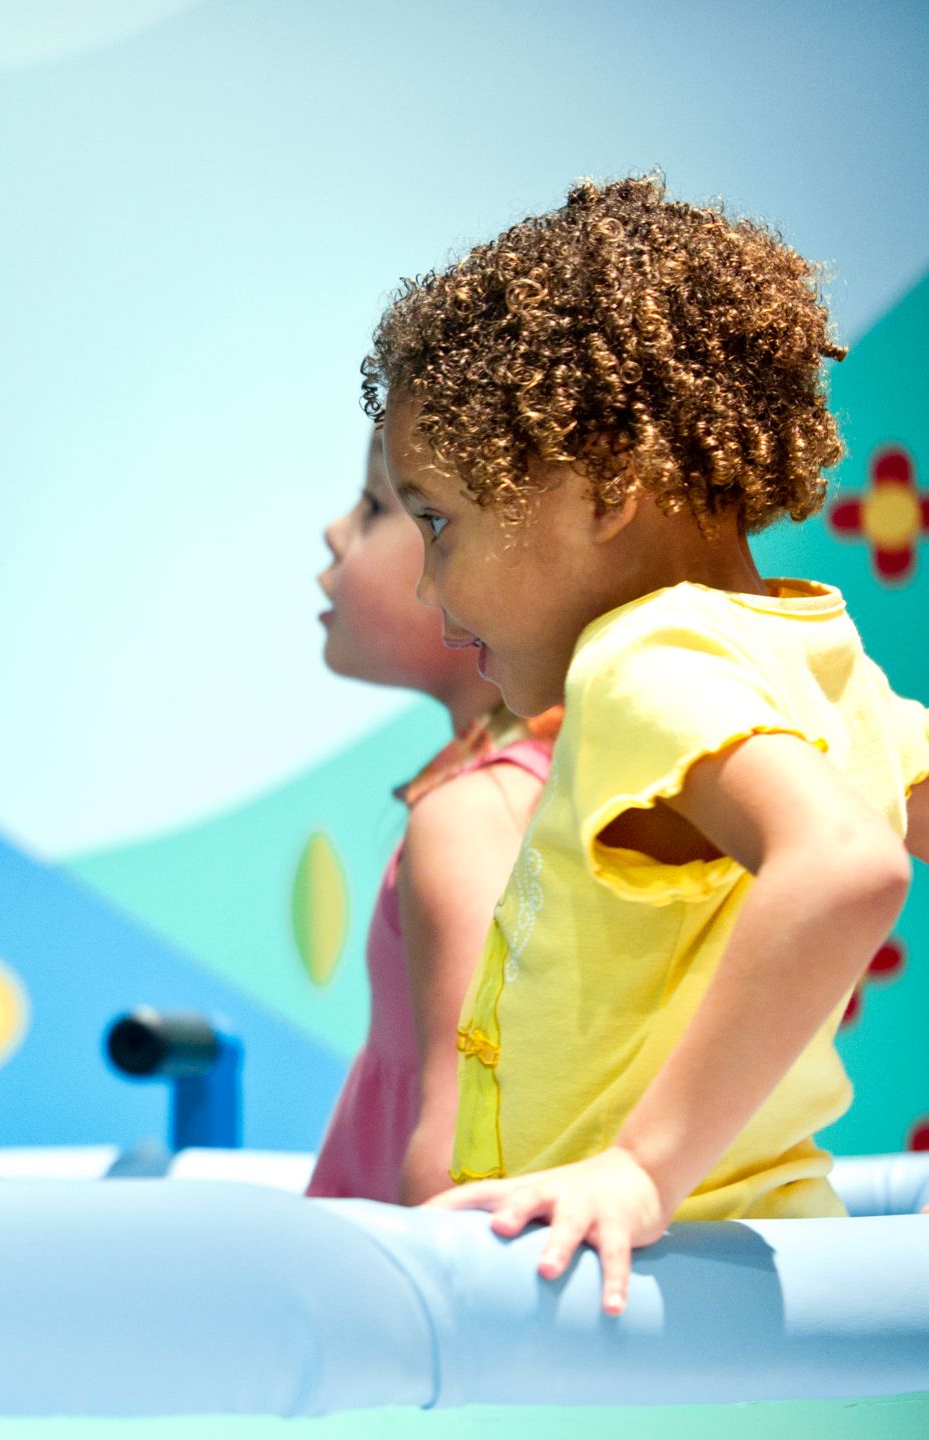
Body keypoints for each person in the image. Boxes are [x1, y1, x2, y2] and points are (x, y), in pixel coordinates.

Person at [365, 176, 929, 1312]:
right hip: (748, 1280)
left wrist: (639, 1170)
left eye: (439, 520)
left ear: (608, 487)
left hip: (614, 1301)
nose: (429, 580)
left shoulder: (640, 660)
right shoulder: (821, 659)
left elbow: (844, 867)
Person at [305, 431, 556, 1205]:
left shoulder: (478, 814)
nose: (335, 531)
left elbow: (461, 1145)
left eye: (383, 506)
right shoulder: (540, 782)